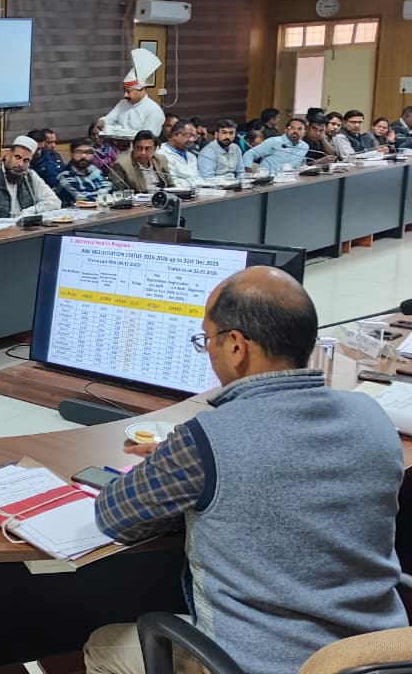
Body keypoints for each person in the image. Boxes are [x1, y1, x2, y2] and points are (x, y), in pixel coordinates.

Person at [83, 266, 405, 674]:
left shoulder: (205, 440)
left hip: (257, 663)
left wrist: (181, 465)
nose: (208, 351)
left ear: (236, 346)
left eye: (207, 339)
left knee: (103, 645)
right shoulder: (371, 415)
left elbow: (114, 516)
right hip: (378, 657)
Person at [0, 136, 62, 219]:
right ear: (7, 155)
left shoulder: (30, 176)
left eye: (26, 160)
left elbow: (55, 202)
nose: (20, 164)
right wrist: (8, 226)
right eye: (17, 157)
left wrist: (29, 212)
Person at [99, 67, 165, 136]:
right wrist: (102, 122)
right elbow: (108, 120)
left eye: (128, 91)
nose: (125, 95)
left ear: (141, 89)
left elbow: (148, 138)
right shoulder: (123, 103)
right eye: (124, 91)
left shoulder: (153, 110)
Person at [108, 130, 173, 193]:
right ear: (133, 147)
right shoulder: (121, 164)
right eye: (139, 148)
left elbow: (170, 185)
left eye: (147, 149)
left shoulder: (161, 160)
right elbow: (119, 192)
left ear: (154, 149)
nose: (143, 153)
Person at [241, 117, 308, 174]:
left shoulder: (304, 147)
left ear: (304, 132)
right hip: (268, 179)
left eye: (299, 129)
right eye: (292, 128)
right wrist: (248, 173)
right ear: (286, 130)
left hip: (290, 180)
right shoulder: (274, 141)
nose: (295, 131)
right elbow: (249, 154)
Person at [55, 138, 110, 204]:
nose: (83, 156)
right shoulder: (65, 176)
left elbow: (109, 187)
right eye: (79, 152)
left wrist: (102, 195)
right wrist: (102, 195)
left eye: (87, 152)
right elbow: (81, 198)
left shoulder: (95, 170)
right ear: (72, 153)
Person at [159, 121, 201, 186]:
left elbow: (199, 178)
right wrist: (195, 183)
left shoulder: (192, 156)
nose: (191, 140)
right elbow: (173, 183)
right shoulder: (161, 154)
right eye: (188, 136)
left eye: (194, 137)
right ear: (176, 135)